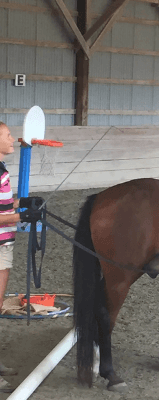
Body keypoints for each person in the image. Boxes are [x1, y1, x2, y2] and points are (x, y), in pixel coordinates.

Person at [0, 122, 44, 393]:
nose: (11, 139)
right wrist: (21, 217)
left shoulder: (2, 171)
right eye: (6, 135)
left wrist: (21, 203)